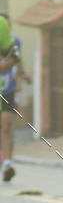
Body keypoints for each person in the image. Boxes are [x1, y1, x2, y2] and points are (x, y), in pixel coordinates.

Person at [0, 14, 24, 182]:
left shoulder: (14, 43)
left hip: (6, 89)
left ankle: (8, 164)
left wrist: (21, 76)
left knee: (6, 125)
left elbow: (17, 60)